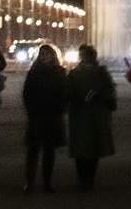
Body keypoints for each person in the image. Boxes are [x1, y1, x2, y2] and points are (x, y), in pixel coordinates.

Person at [66, 45, 118, 189]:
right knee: (87, 149)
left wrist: (98, 96)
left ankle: (86, 179)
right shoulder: (96, 73)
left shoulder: (78, 73)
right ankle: (86, 179)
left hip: (89, 115)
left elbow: (109, 91)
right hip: (88, 115)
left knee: (88, 148)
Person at [21, 44, 69, 193]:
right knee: (33, 151)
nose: (43, 57)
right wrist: (31, 108)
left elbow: (64, 93)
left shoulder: (60, 73)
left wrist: (61, 108)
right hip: (37, 115)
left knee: (49, 152)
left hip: (52, 115)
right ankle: (29, 182)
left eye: (46, 54)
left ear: (53, 56)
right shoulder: (34, 73)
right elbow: (26, 93)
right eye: (41, 54)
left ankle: (47, 182)